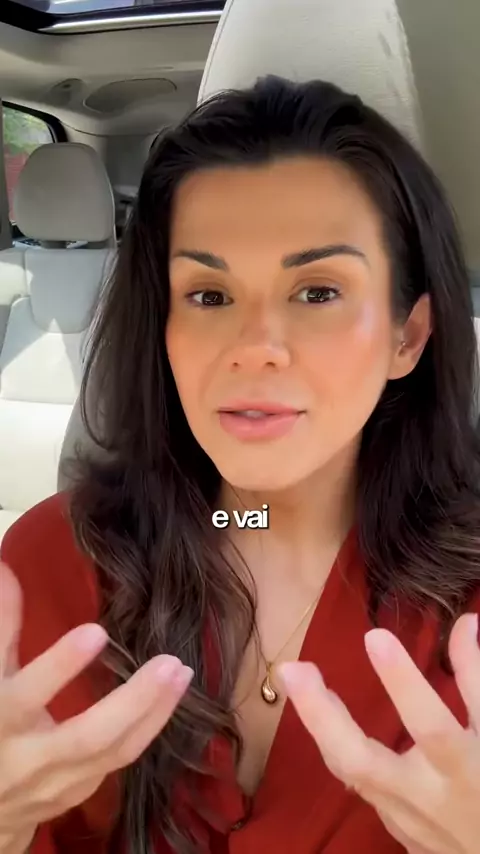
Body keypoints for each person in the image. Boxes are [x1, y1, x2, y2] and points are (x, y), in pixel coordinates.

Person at [1, 74, 480, 854]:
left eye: (317, 292)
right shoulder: (51, 566)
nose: (256, 347)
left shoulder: (469, 610)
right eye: (210, 296)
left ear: (408, 337)